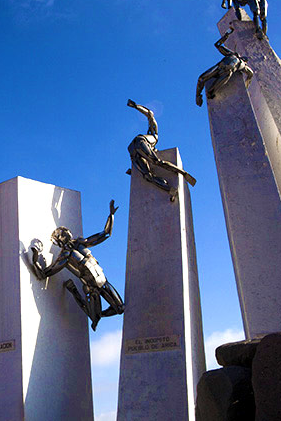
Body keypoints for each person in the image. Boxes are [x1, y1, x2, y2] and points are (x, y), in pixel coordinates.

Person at [30, 200, 125, 331]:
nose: (66, 234)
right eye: (61, 234)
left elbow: (105, 234)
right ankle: (74, 291)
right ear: (59, 240)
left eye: (65, 232)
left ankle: (99, 313)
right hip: (92, 288)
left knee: (120, 309)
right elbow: (44, 274)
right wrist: (35, 258)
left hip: (103, 281)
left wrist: (111, 215)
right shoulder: (65, 256)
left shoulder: (80, 243)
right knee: (94, 320)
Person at [126, 99, 196, 201]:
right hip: (137, 145)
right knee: (153, 167)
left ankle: (173, 187)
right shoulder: (153, 136)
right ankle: (179, 178)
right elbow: (149, 114)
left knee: (149, 175)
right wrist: (136, 106)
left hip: (133, 151)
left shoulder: (154, 137)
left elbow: (151, 115)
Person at [196, 27, 254, 106]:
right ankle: (198, 96)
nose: (244, 58)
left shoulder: (243, 65)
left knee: (211, 92)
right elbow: (218, 45)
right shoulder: (232, 54)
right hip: (219, 67)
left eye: (245, 59)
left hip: (227, 73)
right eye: (244, 57)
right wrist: (227, 34)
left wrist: (247, 86)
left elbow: (250, 73)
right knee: (201, 78)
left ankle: (210, 94)